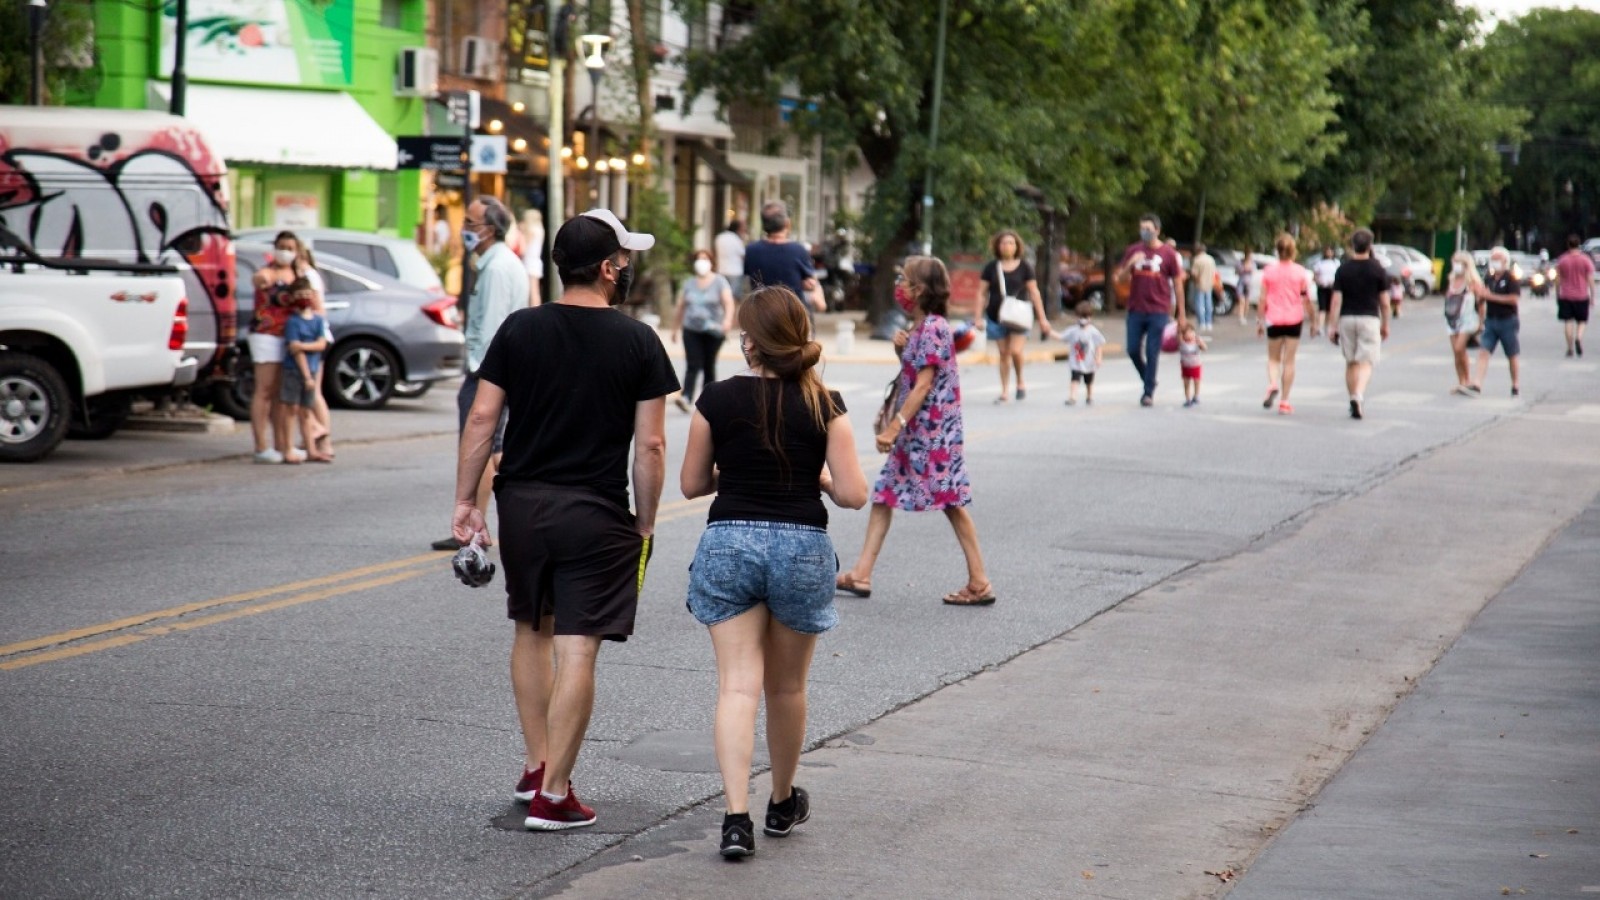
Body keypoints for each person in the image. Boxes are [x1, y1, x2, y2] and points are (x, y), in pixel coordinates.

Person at [451, 208, 679, 831]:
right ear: (608, 269)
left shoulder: (521, 330)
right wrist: (647, 521)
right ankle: (555, 796)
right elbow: (651, 447)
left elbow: (481, 419)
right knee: (579, 645)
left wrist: (466, 499)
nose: (628, 267)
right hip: (595, 510)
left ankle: (536, 766)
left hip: (522, 503)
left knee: (532, 629)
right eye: (625, 259)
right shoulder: (639, 342)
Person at [679, 285, 868, 859]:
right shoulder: (825, 403)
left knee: (737, 685)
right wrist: (823, 482)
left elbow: (690, 485)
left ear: (749, 343)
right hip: (803, 549)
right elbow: (856, 495)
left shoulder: (715, 399)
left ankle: (735, 818)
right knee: (786, 688)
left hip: (729, 541)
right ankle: (782, 802)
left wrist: (731, 476)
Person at [835, 256, 995, 606]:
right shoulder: (922, 329)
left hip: (931, 435)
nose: (900, 287)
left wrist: (894, 427)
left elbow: (924, 385)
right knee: (885, 495)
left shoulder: (935, 327)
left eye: (904, 280)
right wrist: (900, 350)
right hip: (919, 434)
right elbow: (914, 374)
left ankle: (980, 581)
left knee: (951, 502)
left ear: (920, 289)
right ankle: (861, 573)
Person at [432, 196, 531, 552]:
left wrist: (480, 373)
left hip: (487, 371)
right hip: (494, 370)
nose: (465, 230)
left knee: (480, 446)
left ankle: (475, 525)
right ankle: (488, 522)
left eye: (471, 224)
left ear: (490, 229)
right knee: (496, 448)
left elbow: (491, 328)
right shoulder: (496, 262)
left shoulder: (497, 267)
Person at [248, 231, 310, 464]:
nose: (285, 251)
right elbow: (259, 279)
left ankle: (283, 445)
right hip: (266, 334)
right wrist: (268, 279)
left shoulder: (297, 274)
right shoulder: (268, 272)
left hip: (289, 336)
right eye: (281, 246)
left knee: (280, 394)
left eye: (290, 247)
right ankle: (261, 446)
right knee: (264, 389)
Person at [1115, 214, 1185, 407]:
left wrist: (1181, 314)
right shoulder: (1133, 250)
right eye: (1142, 228)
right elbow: (1120, 279)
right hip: (1136, 308)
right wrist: (1130, 263)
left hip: (1158, 309)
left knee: (1152, 350)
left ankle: (1148, 392)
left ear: (1157, 230)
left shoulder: (1168, 254)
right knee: (1132, 349)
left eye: (1148, 228)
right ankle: (1148, 378)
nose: (1144, 232)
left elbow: (1178, 284)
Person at [981, 230, 1056, 403]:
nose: (1007, 246)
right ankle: (1005, 390)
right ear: (997, 246)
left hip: (1019, 316)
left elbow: (1034, 292)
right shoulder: (991, 267)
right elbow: (981, 293)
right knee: (1003, 353)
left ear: (1017, 246)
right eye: (1003, 243)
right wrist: (978, 316)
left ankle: (1020, 380)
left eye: (1011, 243)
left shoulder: (1025, 267)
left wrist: (1043, 319)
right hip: (996, 315)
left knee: (1015, 351)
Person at [1328, 228, 1391, 419]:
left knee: (1351, 361)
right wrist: (1385, 324)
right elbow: (1385, 302)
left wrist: (1332, 326)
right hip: (1370, 318)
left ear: (1352, 245)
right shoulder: (1377, 269)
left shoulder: (1343, 269)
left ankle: (1352, 398)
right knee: (1366, 361)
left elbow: (1336, 301)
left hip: (1347, 318)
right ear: (1370, 245)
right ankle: (1358, 395)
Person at [671, 249, 737, 413]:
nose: (701, 262)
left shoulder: (719, 281)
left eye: (705, 259)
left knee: (709, 364)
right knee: (693, 363)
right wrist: (675, 328)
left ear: (711, 262)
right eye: (698, 259)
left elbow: (728, 303)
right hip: (691, 328)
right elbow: (681, 306)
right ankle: (686, 396)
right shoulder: (689, 283)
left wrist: (727, 321)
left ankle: (709, 398)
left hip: (713, 330)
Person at [1257, 233, 1316, 416]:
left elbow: (1262, 298)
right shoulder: (1300, 272)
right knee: (1289, 361)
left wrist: (1260, 320)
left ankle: (1273, 383)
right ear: (1293, 250)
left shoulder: (1269, 271)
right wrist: (1313, 320)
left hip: (1273, 318)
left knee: (1273, 358)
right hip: (1294, 319)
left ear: (1277, 250)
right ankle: (1284, 401)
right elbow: (1306, 299)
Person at [744, 202, 824, 326]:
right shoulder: (798, 250)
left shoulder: (751, 250)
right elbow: (811, 281)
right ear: (787, 223)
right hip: (793, 314)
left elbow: (749, 277)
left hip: (762, 315)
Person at [280, 278, 331, 462]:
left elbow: (321, 344)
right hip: (295, 370)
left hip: (312, 369)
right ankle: (288, 449)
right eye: (299, 295)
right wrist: (307, 376)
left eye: (307, 294)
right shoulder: (293, 322)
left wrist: (303, 345)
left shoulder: (317, 320)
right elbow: (295, 351)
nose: (304, 298)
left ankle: (311, 450)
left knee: (306, 411)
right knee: (291, 408)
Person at [1473, 246, 1524, 397]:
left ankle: (1515, 383)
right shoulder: (1489, 278)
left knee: (1512, 354)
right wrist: (1480, 296)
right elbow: (1483, 297)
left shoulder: (1511, 278)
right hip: (1491, 320)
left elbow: (1514, 299)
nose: (1494, 263)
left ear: (1505, 261)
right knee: (1483, 351)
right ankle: (1477, 383)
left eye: (1497, 260)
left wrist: (1491, 297)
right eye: (1492, 259)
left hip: (1508, 320)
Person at [1443, 250, 1486, 396]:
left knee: (1460, 347)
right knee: (1456, 352)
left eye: (1459, 262)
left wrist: (1481, 322)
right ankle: (1461, 381)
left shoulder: (1473, 282)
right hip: (1452, 319)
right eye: (1454, 262)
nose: (1456, 265)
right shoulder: (1451, 280)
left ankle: (1467, 380)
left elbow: (1481, 303)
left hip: (1468, 320)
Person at [1057, 300, 1106, 406]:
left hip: (1089, 361)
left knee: (1089, 380)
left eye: (1085, 317)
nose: (1082, 320)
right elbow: (1061, 337)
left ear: (1090, 317)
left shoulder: (1093, 331)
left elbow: (1099, 345)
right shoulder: (1073, 330)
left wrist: (1098, 358)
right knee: (1075, 379)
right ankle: (1072, 397)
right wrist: (1049, 332)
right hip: (1076, 361)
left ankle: (1089, 396)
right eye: (1080, 317)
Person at [1555, 233, 1595, 357]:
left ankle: (1570, 347)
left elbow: (1558, 279)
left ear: (1568, 245)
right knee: (1582, 321)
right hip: (1582, 295)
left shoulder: (1562, 260)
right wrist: (1592, 295)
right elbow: (1590, 280)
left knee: (1568, 321)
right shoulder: (1585, 260)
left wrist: (1557, 293)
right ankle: (1579, 337)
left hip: (1566, 295)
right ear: (1579, 245)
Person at [1189, 243, 1219, 334]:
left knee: (1200, 304)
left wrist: (1196, 281)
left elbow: (1194, 274)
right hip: (1209, 284)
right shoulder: (1211, 259)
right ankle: (1209, 322)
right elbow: (1215, 273)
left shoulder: (1197, 260)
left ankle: (1202, 322)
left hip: (1200, 284)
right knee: (1208, 304)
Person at [1312, 245, 1340, 338]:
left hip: (1332, 287)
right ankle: (1320, 327)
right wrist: (1319, 282)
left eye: (1330, 251)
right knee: (1322, 308)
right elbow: (1315, 276)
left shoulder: (1336, 263)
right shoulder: (1320, 263)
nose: (1329, 253)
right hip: (1322, 287)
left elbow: (1339, 276)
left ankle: (1328, 326)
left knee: (1330, 308)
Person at [1178, 321, 1208, 408]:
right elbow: (1178, 334)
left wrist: (1200, 343)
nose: (1190, 334)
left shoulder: (1197, 341)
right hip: (1185, 366)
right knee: (1186, 383)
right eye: (1188, 333)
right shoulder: (1182, 343)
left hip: (1196, 365)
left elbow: (1205, 348)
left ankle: (1196, 395)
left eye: (1192, 332)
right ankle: (1187, 399)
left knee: (1196, 381)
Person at [714, 218, 746, 295]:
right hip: (735, 272)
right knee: (734, 296)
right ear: (738, 228)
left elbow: (715, 252)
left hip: (721, 270)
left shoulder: (719, 237)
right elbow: (743, 255)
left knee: (722, 295)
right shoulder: (736, 239)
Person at [520, 209, 546, 304]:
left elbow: (524, 247)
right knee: (535, 290)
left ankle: (534, 308)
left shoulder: (531, 230)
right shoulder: (540, 229)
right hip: (536, 260)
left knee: (531, 290)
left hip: (529, 261)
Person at [1236, 249, 1256, 325]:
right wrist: (1244, 268)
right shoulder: (1240, 262)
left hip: (1248, 284)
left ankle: (1244, 316)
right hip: (1241, 283)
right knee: (1242, 301)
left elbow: (1252, 270)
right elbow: (1237, 271)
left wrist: (1247, 268)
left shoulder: (1253, 263)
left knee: (1247, 302)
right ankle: (1241, 317)